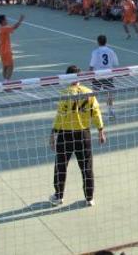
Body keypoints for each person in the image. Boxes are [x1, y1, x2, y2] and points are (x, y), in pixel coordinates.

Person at [49, 65, 105, 207]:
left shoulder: (65, 93)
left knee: (61, 165)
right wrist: (101, 130)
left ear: (68, 77)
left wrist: (53, 133)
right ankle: (89, 197)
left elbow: (60, 116)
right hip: (83, 135)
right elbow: (96, 112)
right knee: (86, 166)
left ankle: (58, 195)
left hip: (66, 134)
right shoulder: (89, 93)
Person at [89, 35, 119, 118]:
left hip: (98, 75)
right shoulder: (111, 51)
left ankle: (92, 110)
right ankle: (111, 110)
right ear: (106, 41)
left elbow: (92, 64)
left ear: (97, 42)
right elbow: (116, 63)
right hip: (108, 74)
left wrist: (90, 74)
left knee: (94, 93)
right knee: (109, 93)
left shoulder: (95, 52)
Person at [0, 14, 24, 82]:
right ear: (3, 21)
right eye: (6, 19)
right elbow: (14, 27)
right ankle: (7, 82)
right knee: (11, 66)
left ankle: (5, 80)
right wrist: (20, 20)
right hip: (6, 50)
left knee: (5, 66)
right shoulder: (4, 28)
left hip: (1, 50)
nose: (7, 20)